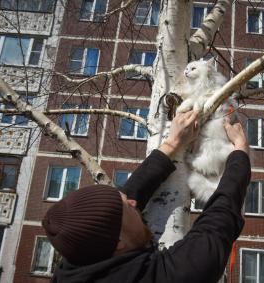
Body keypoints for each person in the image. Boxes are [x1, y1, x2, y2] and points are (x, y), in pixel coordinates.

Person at [42, 110, 251, 283]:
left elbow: (130, 193)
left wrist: (173, 143)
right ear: (117, 243)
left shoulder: (79, 256)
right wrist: (240, 151)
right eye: (129, 208)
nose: (134, 202)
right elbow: (216, 225)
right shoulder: (166, 277)